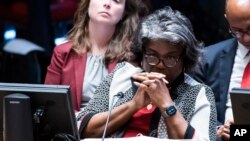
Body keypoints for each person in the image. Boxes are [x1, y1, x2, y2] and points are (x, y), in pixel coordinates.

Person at [77, 6, 217, 140]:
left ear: (185, 59)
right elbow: (81, 128)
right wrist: (133, 105)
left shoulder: (198, 93)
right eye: (152, 55)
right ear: (142, 53)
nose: (160, 65)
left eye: (170, 58)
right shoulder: (121, 75)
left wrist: (167, 105)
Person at [44, 0, 144, 111]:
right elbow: (49, 105)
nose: (107, 4)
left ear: (124, 12)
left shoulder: (133, 55)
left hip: (115, 125)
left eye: (116, 1)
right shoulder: (63, 53)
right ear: (87, 4)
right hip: (70, 126)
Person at [192, 0, 250, 140]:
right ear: (227, 20)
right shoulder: (206, 60)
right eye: (237, 31)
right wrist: (219, 130)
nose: (247, 38)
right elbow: (194, 109)